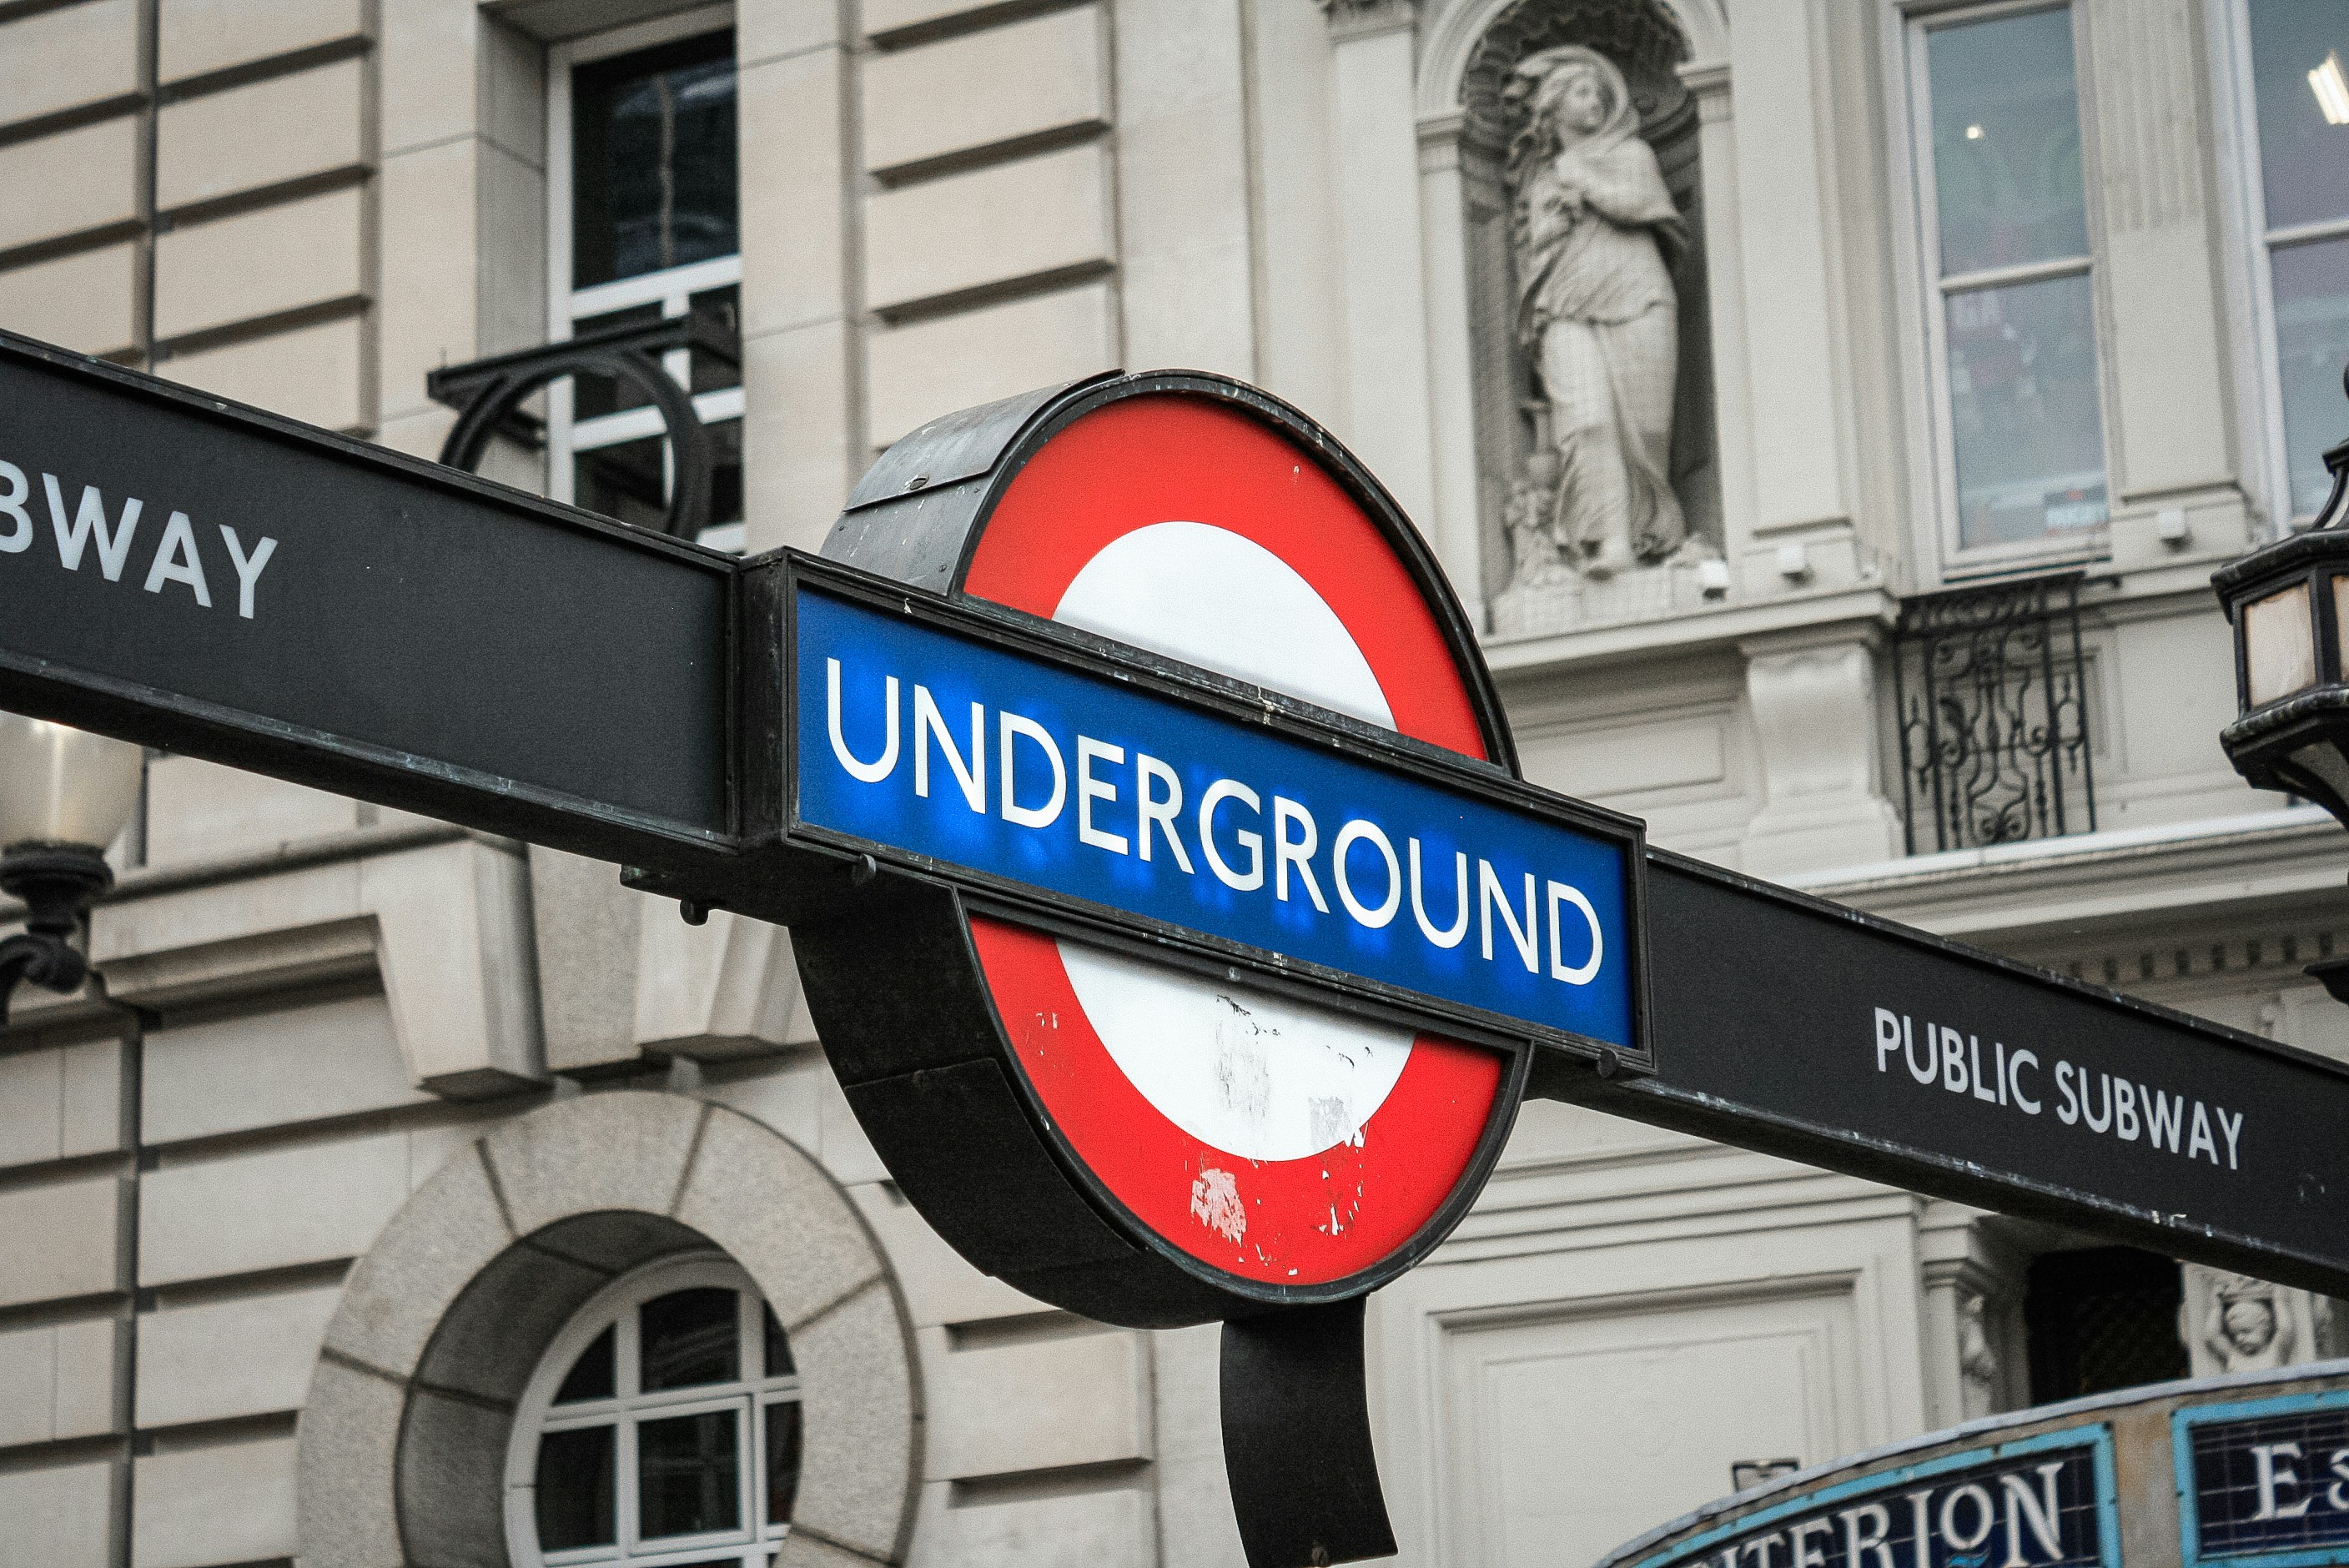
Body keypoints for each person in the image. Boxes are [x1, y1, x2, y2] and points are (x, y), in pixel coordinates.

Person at [1506, 45, 1687, 579]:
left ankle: (1648, 535)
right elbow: (1531, 251)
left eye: (1600, 94)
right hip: (1565, 303)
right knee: (1586, 422)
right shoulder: (1542, 180)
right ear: (1556, 106)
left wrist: (1584, 182)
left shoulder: (1632, 156)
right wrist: (1552, 224)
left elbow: (1643, 206)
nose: (1596, 103)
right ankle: (1609, 541)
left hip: (1637, 294)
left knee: (1648, 430)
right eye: (1583, 92)